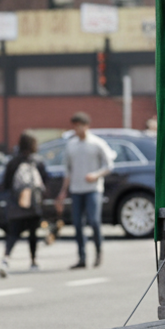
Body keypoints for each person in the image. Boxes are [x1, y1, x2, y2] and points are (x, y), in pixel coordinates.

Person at [55, 112, 114, 269]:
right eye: (74, 126)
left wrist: (96, 175)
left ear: (86, 126)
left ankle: (98, 252)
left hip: (93, 189)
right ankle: (82, 257)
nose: (76, 129)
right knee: (77, 224)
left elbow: (109, 165)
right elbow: (67, 170)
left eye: (79, 126)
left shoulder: (97, 143)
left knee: (94, 221)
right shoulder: (71, 145)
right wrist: (63, 191)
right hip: (76, 189)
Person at [0, 132, 48, 277]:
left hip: (16, 204)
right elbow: (45, 182)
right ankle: (33, 261)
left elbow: (6, 183)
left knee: (13, 234)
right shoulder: (37, 161)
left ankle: (5, 259)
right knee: (33, 234)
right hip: (34, 204)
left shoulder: (13, 162)